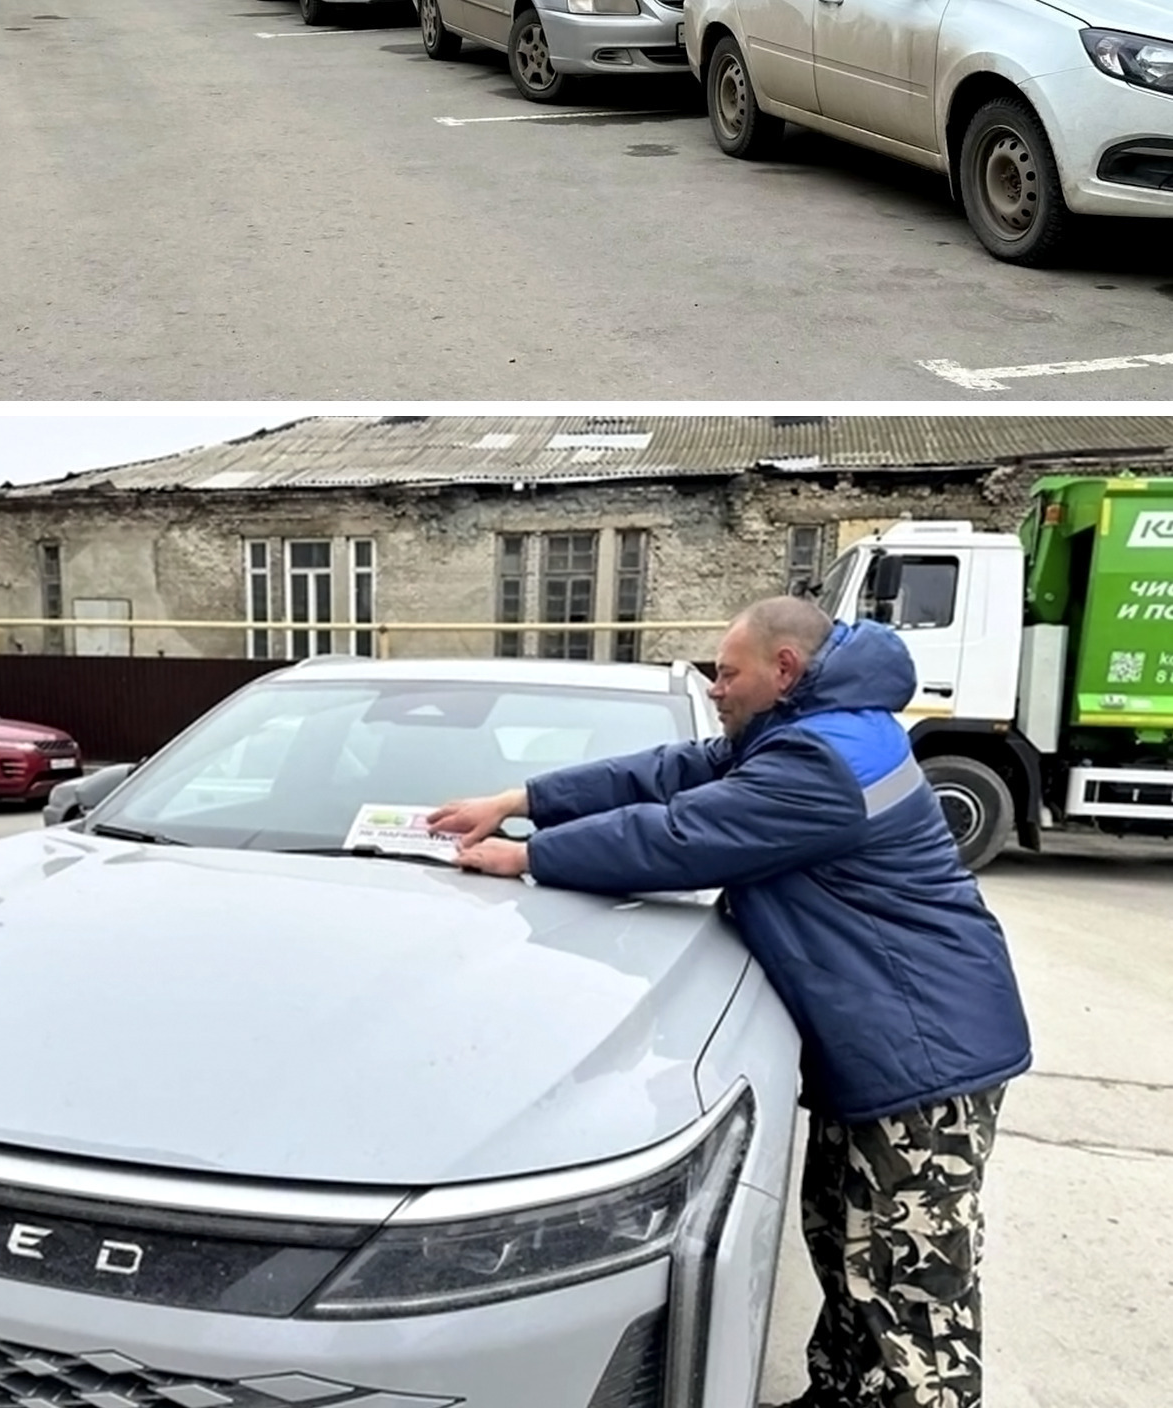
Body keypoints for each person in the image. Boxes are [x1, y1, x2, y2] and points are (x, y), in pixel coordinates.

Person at [429, 597, 1032, 1408]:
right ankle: (839, 1395)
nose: (715, 687)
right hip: (889, 1039)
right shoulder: (805, 729)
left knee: (908, 1274)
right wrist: (521, 798)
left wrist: (529, 857)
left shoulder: (823, 760)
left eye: (727, 672)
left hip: (926, 1046)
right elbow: (671, 772)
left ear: (784, 670)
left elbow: (682, 835)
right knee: (849, 1244)